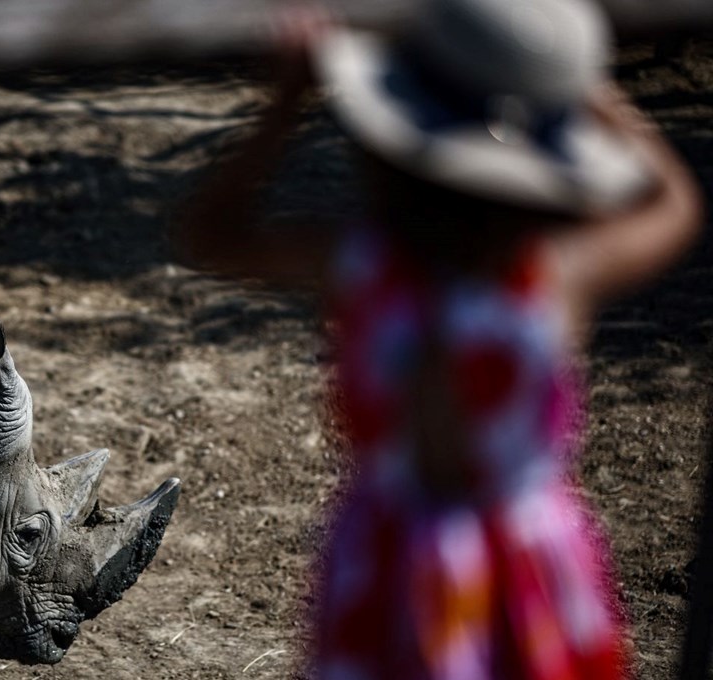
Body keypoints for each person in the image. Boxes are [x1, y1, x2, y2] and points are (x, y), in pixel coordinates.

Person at [171, 0, 704, 677]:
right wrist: (587, 92)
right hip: (532, 566)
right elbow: (675, 203)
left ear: (391, 141)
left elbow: (208, 236)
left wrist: (284, 104)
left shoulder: (363, 266)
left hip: (393, 564)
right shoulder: (555, 277)